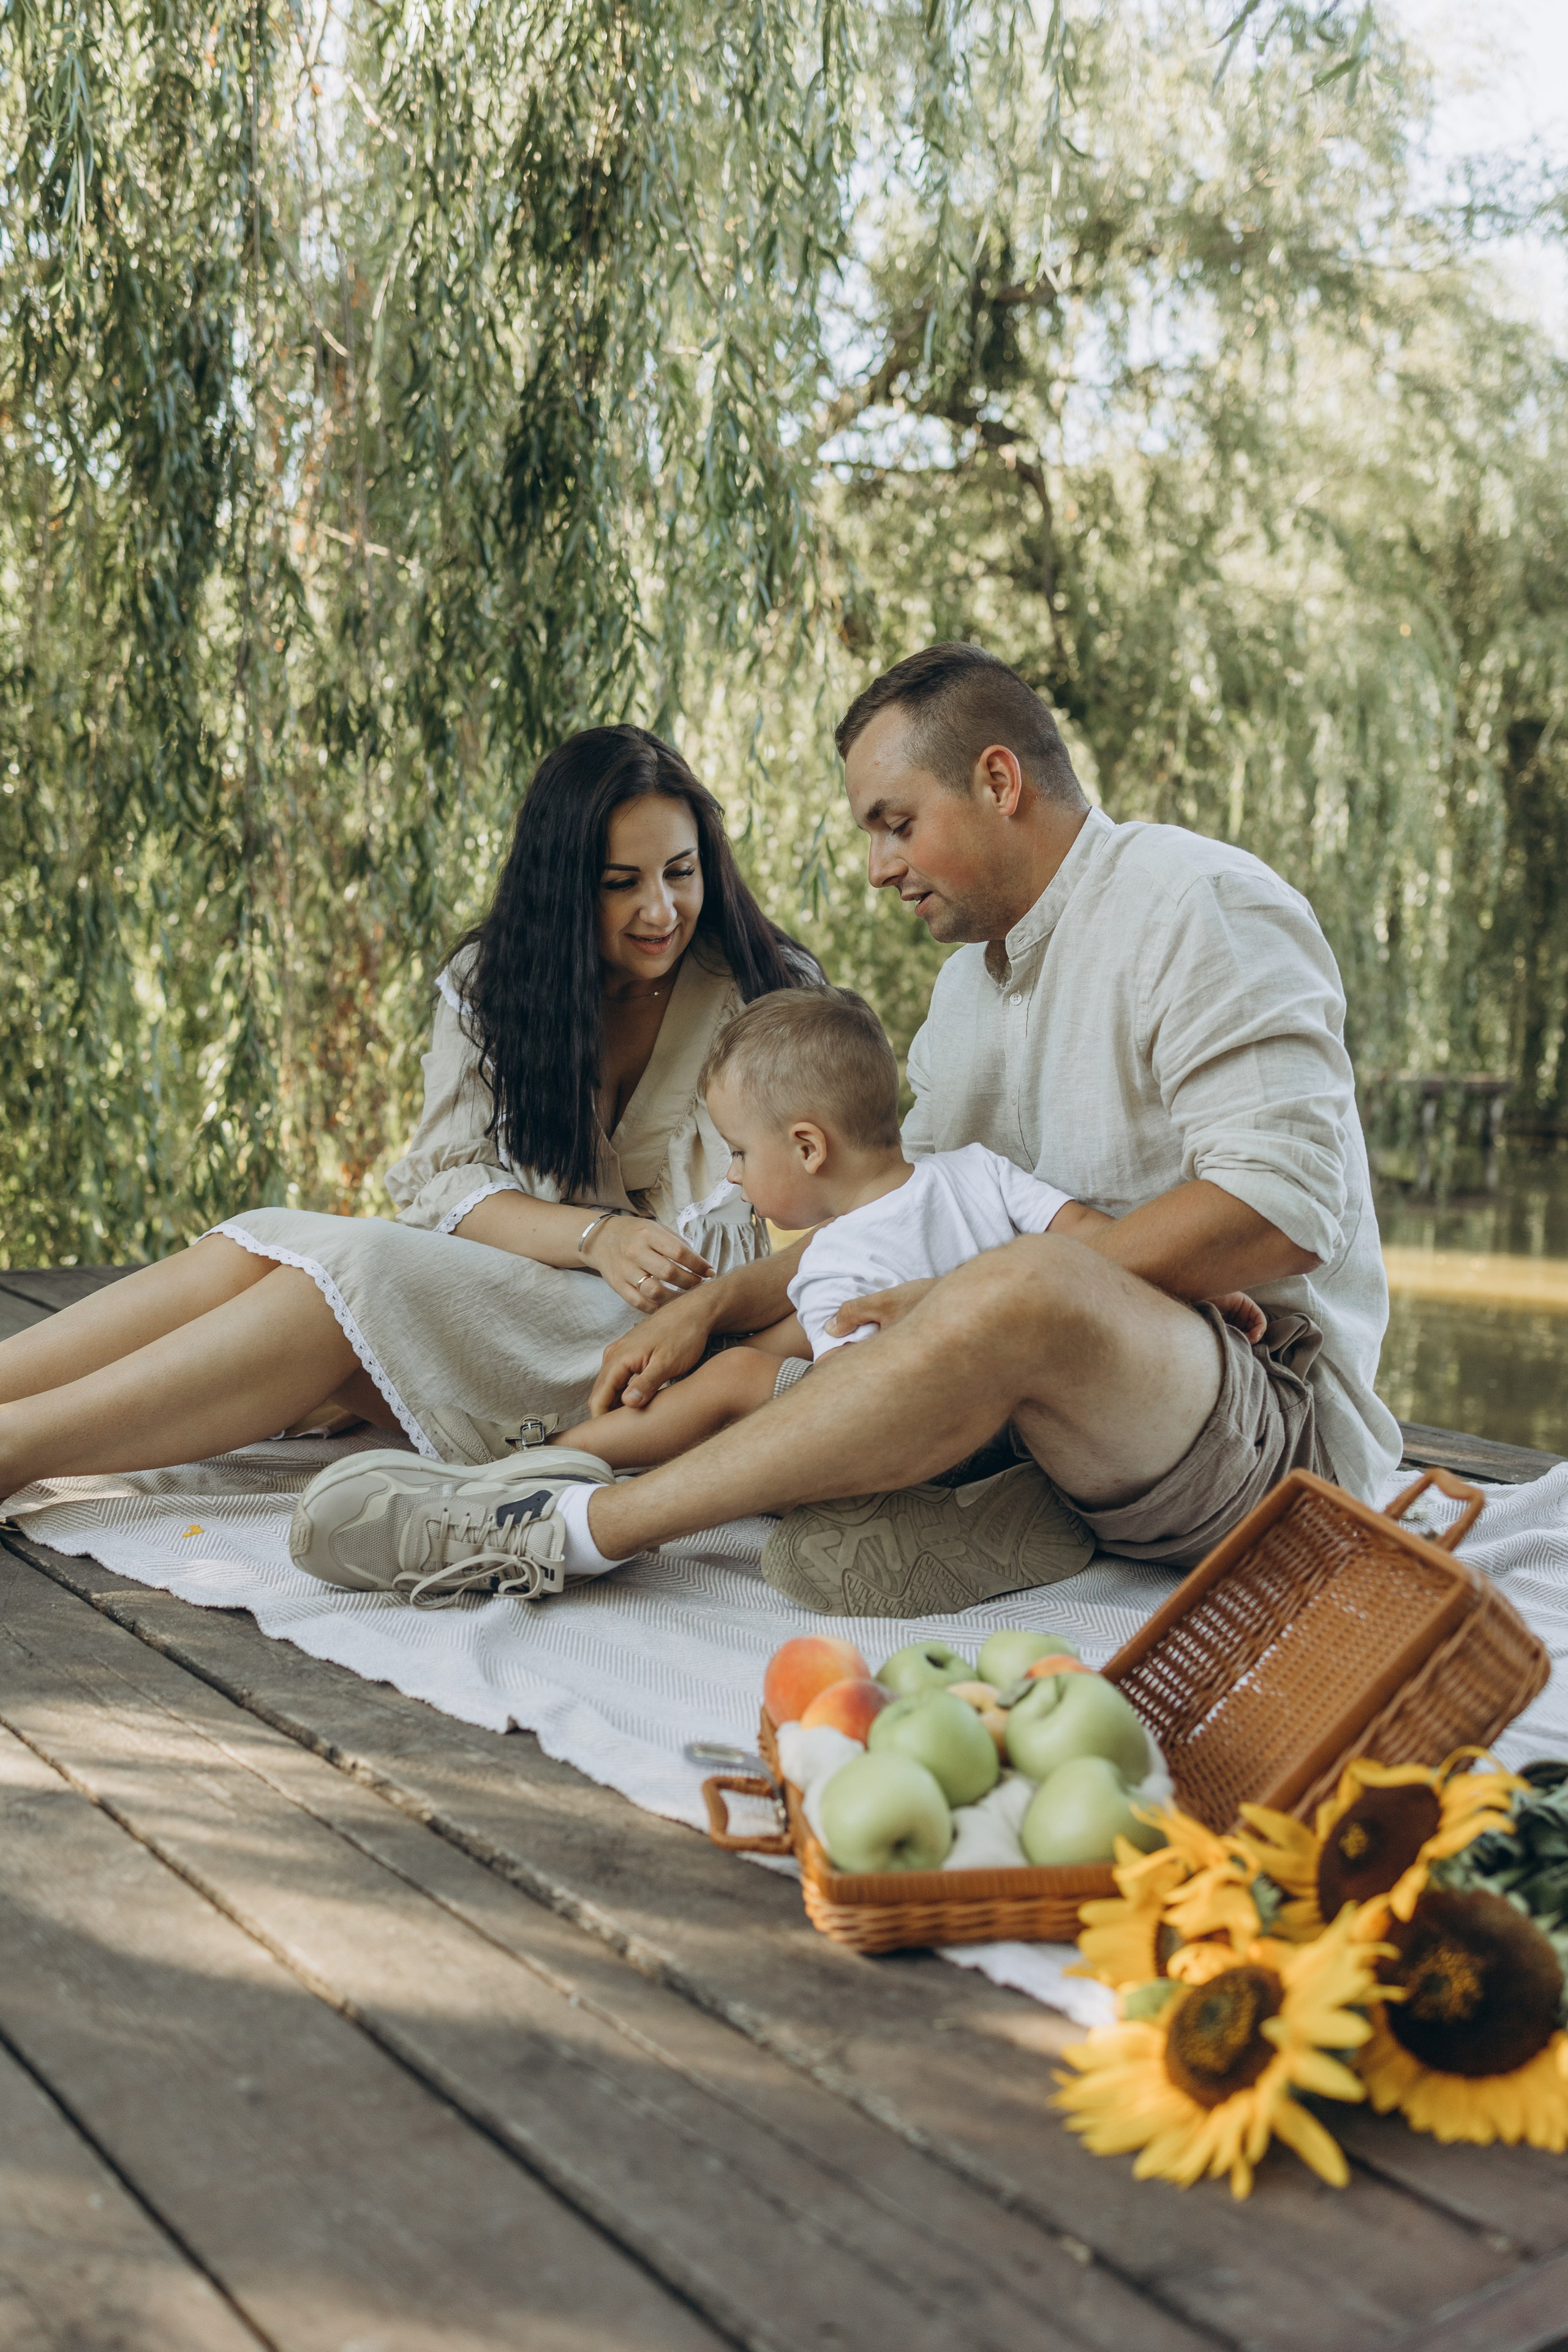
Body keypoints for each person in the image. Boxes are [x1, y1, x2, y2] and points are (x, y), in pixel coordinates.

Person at [290, 643, 1398, 1617]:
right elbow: (910, 1219)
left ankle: (565, 1535)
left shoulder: (1196, 904)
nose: (877, 867)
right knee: (796, 1356)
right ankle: (977, 1513)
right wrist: (719, 1305)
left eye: (896, 823)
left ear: (998, 780)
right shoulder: (967, 994)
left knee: (1022, 1283)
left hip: (1267, 1429)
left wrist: (989, 1290)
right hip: (1058, 1415)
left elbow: (1281, 1209)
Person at [0, 727, 812, 1497]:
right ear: (562, 886)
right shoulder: (498, 980)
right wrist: (600, 1238)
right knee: (267, 1238)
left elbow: (840, 1215)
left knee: (360, 1276)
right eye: (620, 883)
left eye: (681, 870)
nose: (662, 909)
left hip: (661, 1344)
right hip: (535, 1285)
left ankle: (17, 1449)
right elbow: (450, 1181)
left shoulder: (771, 990)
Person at [549, 986, 1264, 1479]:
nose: (733, 1176)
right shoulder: (979, 1171)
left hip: (942, 1456)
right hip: (1043, 1424)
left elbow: (857, 1408)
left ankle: (566, 1453)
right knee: (756, 1350)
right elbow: (1094, 1242)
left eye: (738, 1153)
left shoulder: (830, 1261)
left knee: (734, 1378)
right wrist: (1177, 1293)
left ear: (807, 1149)